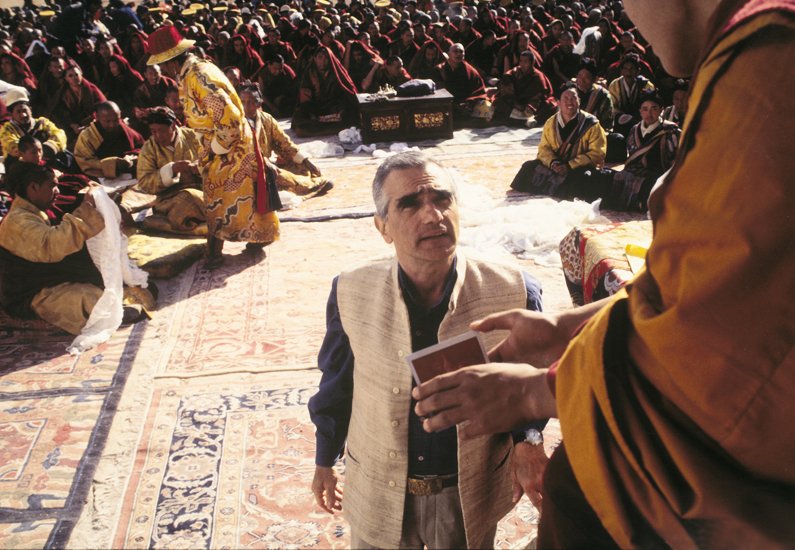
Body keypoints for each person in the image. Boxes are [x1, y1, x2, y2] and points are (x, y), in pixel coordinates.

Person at [413, 0, 795, 547]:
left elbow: (719, 346)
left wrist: (537, 394)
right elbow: (699, 280)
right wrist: (561, 331)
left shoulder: (771, 65)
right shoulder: (748, 52)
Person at [308, 151, 546, 549]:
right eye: (410, 204)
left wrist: (529, 439)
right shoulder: (350, 291)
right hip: (378, 490)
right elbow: (337, 384)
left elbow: (531, 387)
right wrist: (323, 460)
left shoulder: (515, 290)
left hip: (466, 494)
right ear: (382, 227)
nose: (432, 215)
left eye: (441, 199)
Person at [147, 25, 280, 268]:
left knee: (218, 197)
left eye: (164, 64)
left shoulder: (199, 77)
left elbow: (228, 117)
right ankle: (257, 236)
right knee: (241, 193)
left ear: (171, 61)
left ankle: (214, 251)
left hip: (230, 144)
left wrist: (216, 148)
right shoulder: (190, 74)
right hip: (223, 142)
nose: (164, 69)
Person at [0, 164, 151, 334]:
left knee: (100, 272)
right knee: (86, 296)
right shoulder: (17, 221)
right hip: (28, 293)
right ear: (33, 187)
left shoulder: (30, 212)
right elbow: (53, 245)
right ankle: (110, 313)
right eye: (52, 186)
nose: (57, 191)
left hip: (45, 278)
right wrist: (86, 207)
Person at [510, 83, 606, 197]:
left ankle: (560, 188)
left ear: (579, 101)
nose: (570, 102)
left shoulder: (591, 123)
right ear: (559, 102)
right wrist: (554, 163)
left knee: (585, 179)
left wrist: (570, 165)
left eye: (573, 98)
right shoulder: (551, 122)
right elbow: (544, 149)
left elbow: (597, 153)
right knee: (528, 167)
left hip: (578, 167)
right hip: (556, 166)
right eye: (565, 98)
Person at [238, 83, 333, 197]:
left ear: (259, 103)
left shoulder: (267, 119)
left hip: (266, 165)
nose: (245, 107)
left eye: (251, 102)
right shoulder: (236, 123)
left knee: (301, 167)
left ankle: (306, 184)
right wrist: (265, 163)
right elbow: (242, 152)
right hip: (246, 169)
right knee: (277, 176)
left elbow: (285, 143)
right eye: (242, 102)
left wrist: (306, 161)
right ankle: (314, 185)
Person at [134, 107, 206, 236]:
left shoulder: (193, 136)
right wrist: (171, 169)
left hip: (203, 190)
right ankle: (206, 220)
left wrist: (200, 167)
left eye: (162, 130)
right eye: (153, 131)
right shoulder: (149, 148)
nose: (158, 136)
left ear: (173, 126)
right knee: (187, 199)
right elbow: (144, 182)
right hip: (169, 200)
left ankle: (189, 221)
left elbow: (212, 160)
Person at [607, 90, 679, 211]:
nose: (649, 113)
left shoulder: (671, 132)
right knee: (610, 178)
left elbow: (676, 162)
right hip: (635, 174)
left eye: (654, 109)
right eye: (645, 109)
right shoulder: (634, 130)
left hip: (659, 176)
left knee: (654, 187)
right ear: (640, 111)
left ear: (661, 109)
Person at [292, 45, 359, 138]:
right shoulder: (309, 72)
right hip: (315, 109)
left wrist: (340, 109)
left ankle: (324, 127)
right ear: (314, 58)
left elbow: (347, 92)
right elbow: (305, 97)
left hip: (334, 108)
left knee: (350, 113)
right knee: (300, 116)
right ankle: (334, 127)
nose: (323, 61)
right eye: (320, 57)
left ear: (330, 59)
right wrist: (312, 113)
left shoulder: (337, 72)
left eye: (326, 58)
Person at [74, 101, 144, 179]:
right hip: (101, 176)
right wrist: (114, 164)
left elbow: (141, 146)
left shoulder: (123, 128)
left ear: (120, 115)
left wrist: (132, 157)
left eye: (116, 120)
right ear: (97, 117)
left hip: (128, 173)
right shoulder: (87, 136)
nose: (112, 125)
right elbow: (85, 162)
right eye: (107, 121)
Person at [0, 88, 67, 166]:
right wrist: (38, 151)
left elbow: (59, 134)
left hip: (47, 162)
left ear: (30, 110)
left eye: (25, 110)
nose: (23, 115)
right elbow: (13, 146)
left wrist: (50, 146)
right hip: (22, 166)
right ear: (11, 114)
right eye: (18, 112)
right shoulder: (7, 129)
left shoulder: (42, 122)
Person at [490, 49, 557, 127]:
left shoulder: (538, 76)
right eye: (521, 61)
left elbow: (541, 94)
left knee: (550, 105)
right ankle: (525, 120)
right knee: (501, 103)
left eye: (525, 61)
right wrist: (517, 105)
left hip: (532, 105)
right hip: (515, 103)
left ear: (532, 63)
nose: (522, 64)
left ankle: (527, 119)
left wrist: (531, 107)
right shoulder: (512, 73)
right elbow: (507, 92)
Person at [435, 43, 489, 125]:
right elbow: (438, 91)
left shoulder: (470, 70)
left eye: (461, 51)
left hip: (466, 103)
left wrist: (469, 102)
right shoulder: (440, 69)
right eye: (455, 51)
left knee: (486, 106)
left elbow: (479, 90)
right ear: (449, 54)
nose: (459, 54)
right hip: (448, 103)